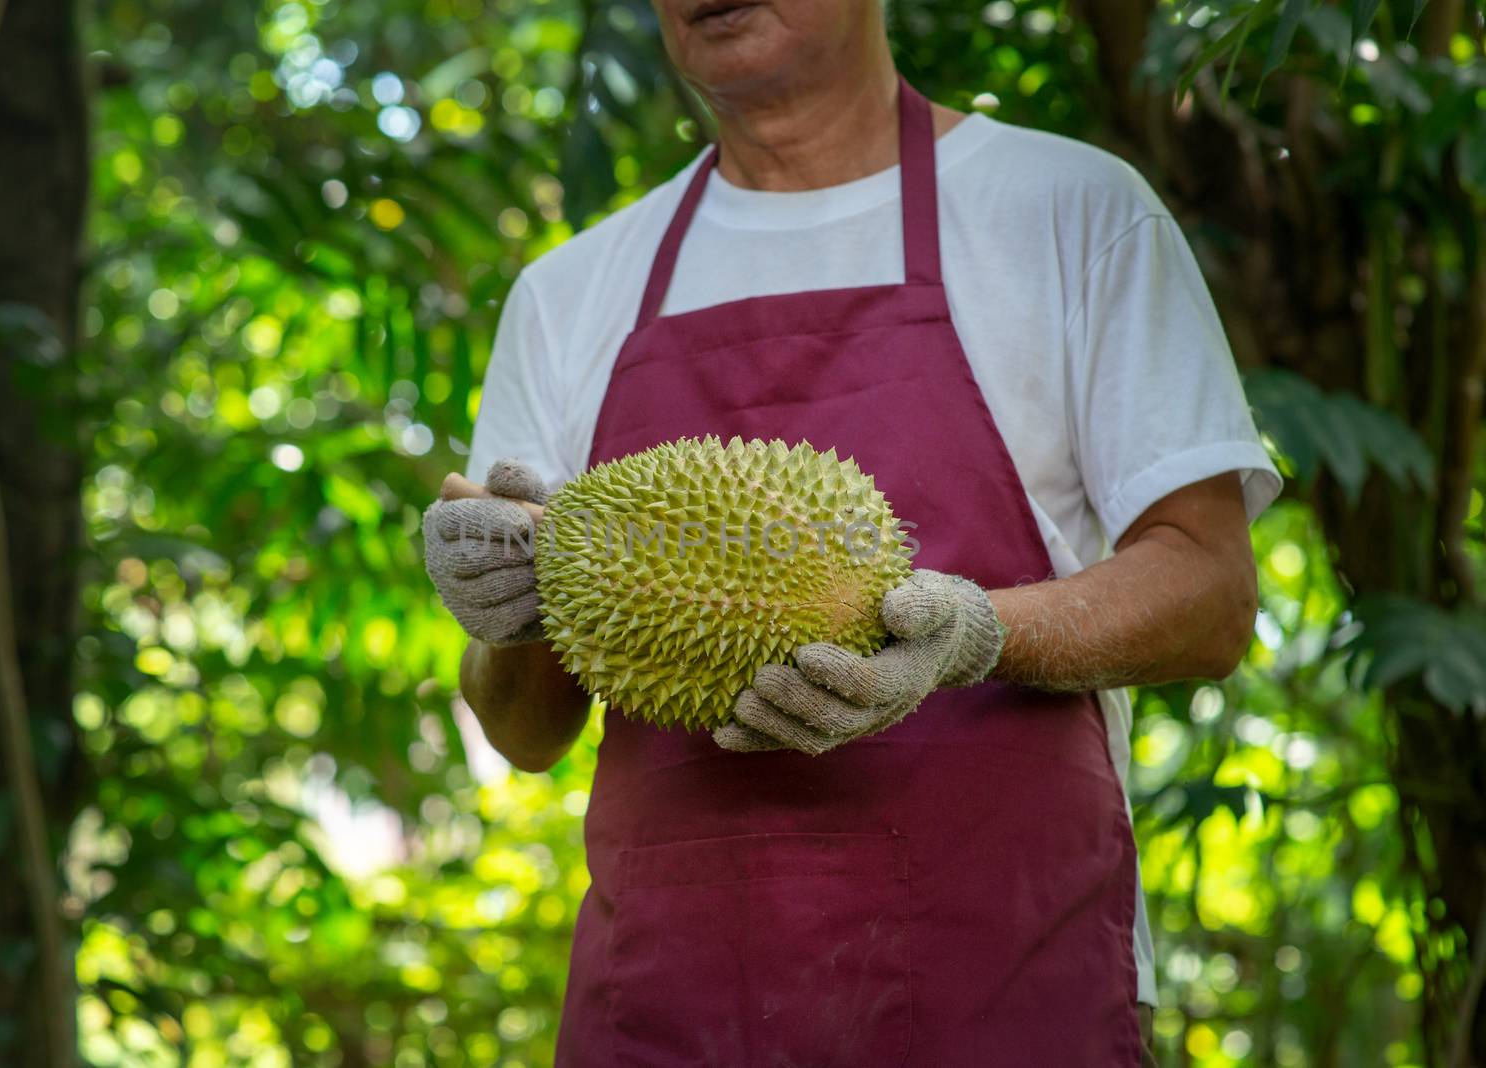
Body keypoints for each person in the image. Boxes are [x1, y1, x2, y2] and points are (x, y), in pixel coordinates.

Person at [422, 0, 1281, 1063]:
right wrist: (511, 618)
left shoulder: (1070, 209)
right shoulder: (568, 293)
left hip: (1005, 992)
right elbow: (523, 733)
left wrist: (975, 633)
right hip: (668, 1014)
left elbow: (1211, 592)